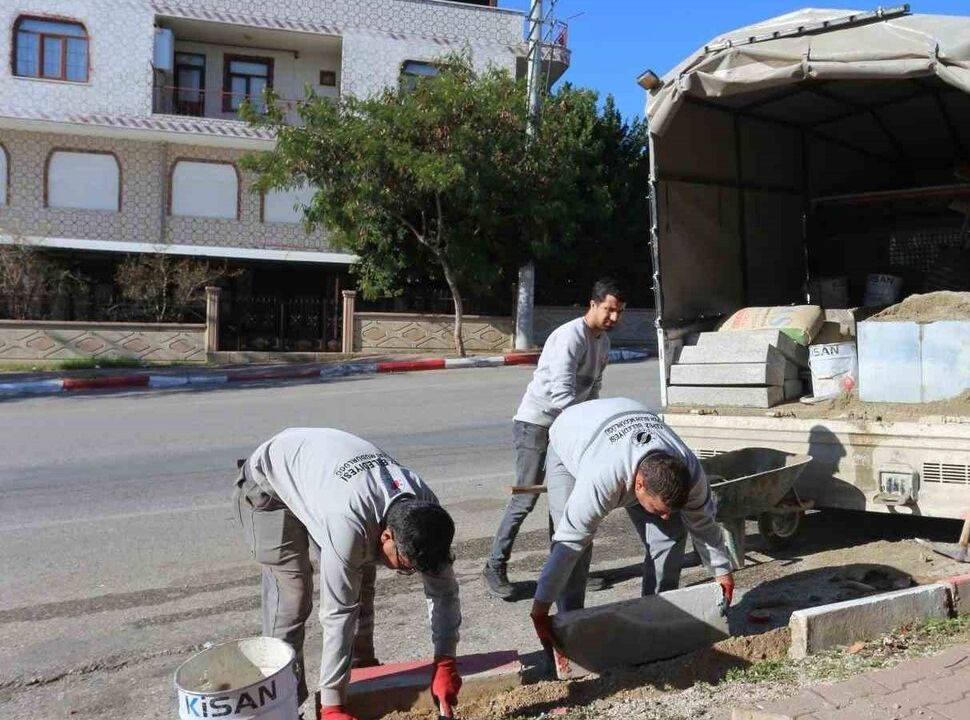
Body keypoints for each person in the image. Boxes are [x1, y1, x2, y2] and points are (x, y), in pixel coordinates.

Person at [232, 428, 462, 720]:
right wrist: (332, 706)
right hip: (268, 485)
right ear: (386, 536)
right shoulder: (349, 523)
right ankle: (284, 707)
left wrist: (445, 661)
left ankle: (362, 673)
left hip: (324, 482)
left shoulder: (427, 514)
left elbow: (444, 592)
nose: (410, 571)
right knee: (292, 597)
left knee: (360, 575)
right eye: (406, 565)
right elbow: (338, 612)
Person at [527, 398, 735, 642]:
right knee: (576, 552)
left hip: (626, 417)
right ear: (639, 485)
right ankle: (569, 629)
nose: (665, 515)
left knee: (670, 536)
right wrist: (540, 610)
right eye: (659, 509)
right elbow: (567, 545)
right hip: (572, 434)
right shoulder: (602, 479)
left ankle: (658, 617)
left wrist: (723, 574)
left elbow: (704, 525)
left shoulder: (692, 472)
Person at [482, 278, 627, 599]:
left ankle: (566, 572)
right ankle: (494, 565)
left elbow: (594, 389)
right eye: (609, 310)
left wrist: (595, 423)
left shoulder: (602, 342)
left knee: (567, 501)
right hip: (537, 424)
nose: (614, 317)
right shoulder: (569, 337)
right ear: (593, 304)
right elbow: (561, 393)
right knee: (525, 499)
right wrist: (583, 426)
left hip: (569, 426)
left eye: (619, 312)